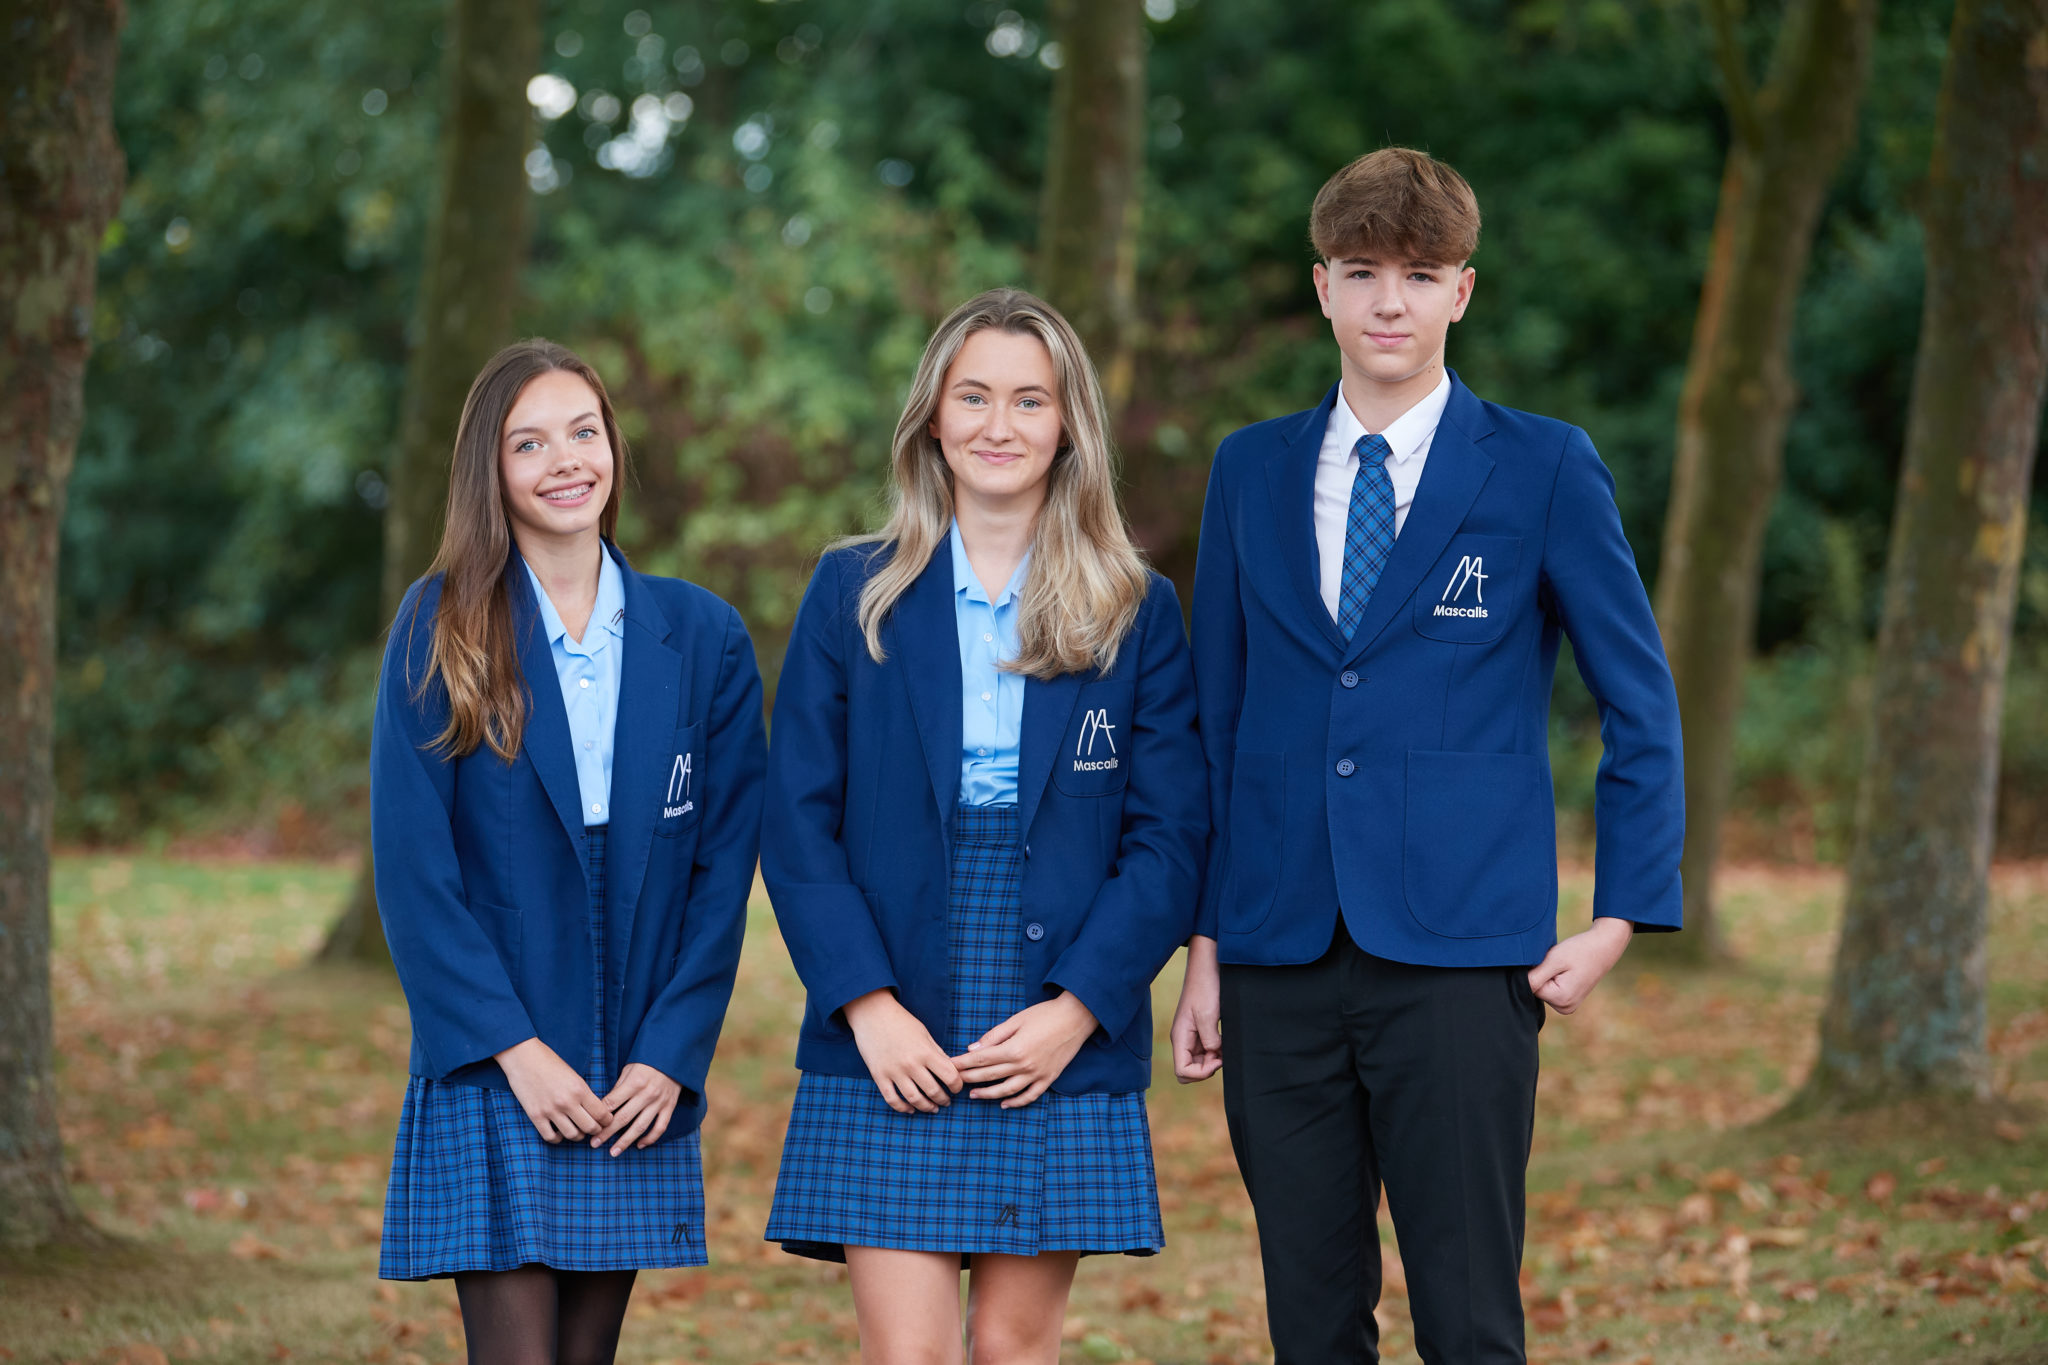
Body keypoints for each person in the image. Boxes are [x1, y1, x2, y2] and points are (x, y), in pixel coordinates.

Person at [1169, 148, 1685, 1363]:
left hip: (1460, 958)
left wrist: (1619, 915)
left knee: (1464, 1316)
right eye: (1360, 273)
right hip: (1275, 949)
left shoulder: (1543, 466)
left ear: (1460, 290)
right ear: (1321, 288)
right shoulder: (1247, 470)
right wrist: (1202, 947)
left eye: (1417, 273)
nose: (1386, 301)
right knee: (1309, 1315)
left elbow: (1639, 702)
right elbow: (1214, 721)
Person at [762, 288, 1207, 1363]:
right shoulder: (851, 591)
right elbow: (795, 819)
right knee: (905, 1355)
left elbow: (1167, 837)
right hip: (891, 997)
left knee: (1014, 1350)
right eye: (972, 396)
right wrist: (865, 1005)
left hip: (1055, 1002)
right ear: (931, 418)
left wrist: (1078, 1010)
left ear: (1067, 429)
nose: (997, 425)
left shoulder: (1133, 610)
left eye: (1027, 400)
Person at [371, 339, 766, 1365]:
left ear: (613, 450)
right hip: (494, 1041)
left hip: (634, 1049)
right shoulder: (442, 626)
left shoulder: (703, 637)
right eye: (529, 442)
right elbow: (415, 873)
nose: (565, 460)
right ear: (489, 472)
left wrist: (670, 1056)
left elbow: (721, 878)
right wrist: (514, 1049)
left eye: (583, 432)